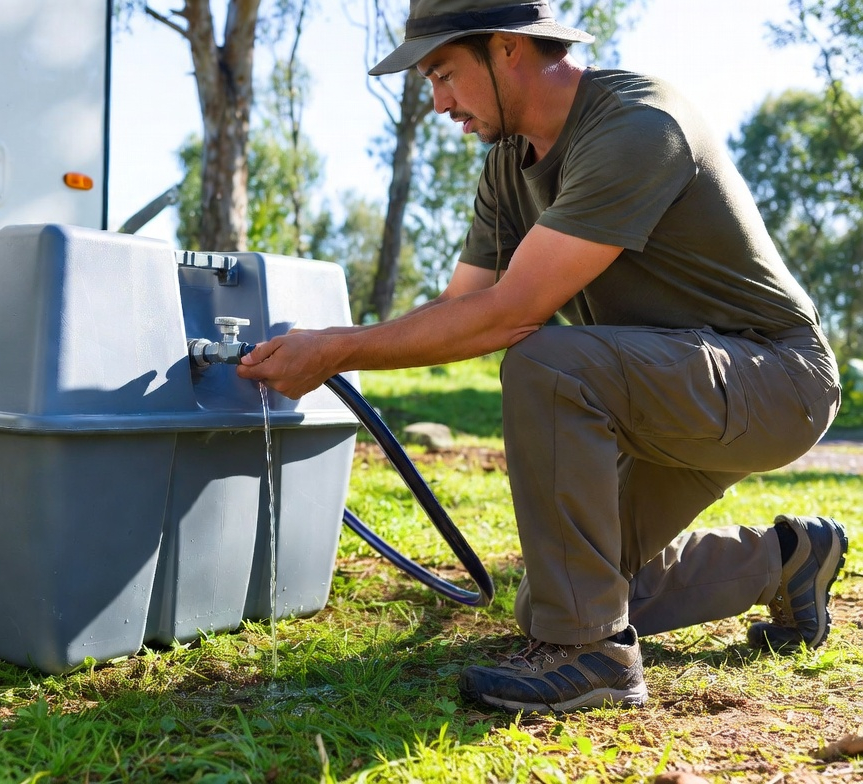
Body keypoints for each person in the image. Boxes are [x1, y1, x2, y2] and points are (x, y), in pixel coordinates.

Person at [236, 0, 849, 714]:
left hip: (775, 380)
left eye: (444, 74)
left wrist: (334, 352)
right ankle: (786, 560)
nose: (439, 104)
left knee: (546, 361)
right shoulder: (507, 167)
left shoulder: (638, 125)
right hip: (665, 390)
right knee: (558, 595)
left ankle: (594, 657)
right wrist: (323, 345)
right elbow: (459, 307)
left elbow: (510, 314)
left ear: (506, 48)